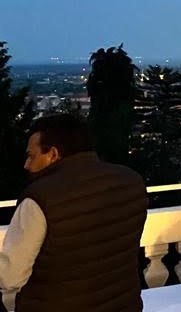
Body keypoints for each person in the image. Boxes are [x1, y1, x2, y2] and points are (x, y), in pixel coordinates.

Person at [0, 114, 148, 312]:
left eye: (31, 156)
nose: (26, 164)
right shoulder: (132, 181)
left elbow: (10, 277)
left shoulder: (40, 198)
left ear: (53, 154)